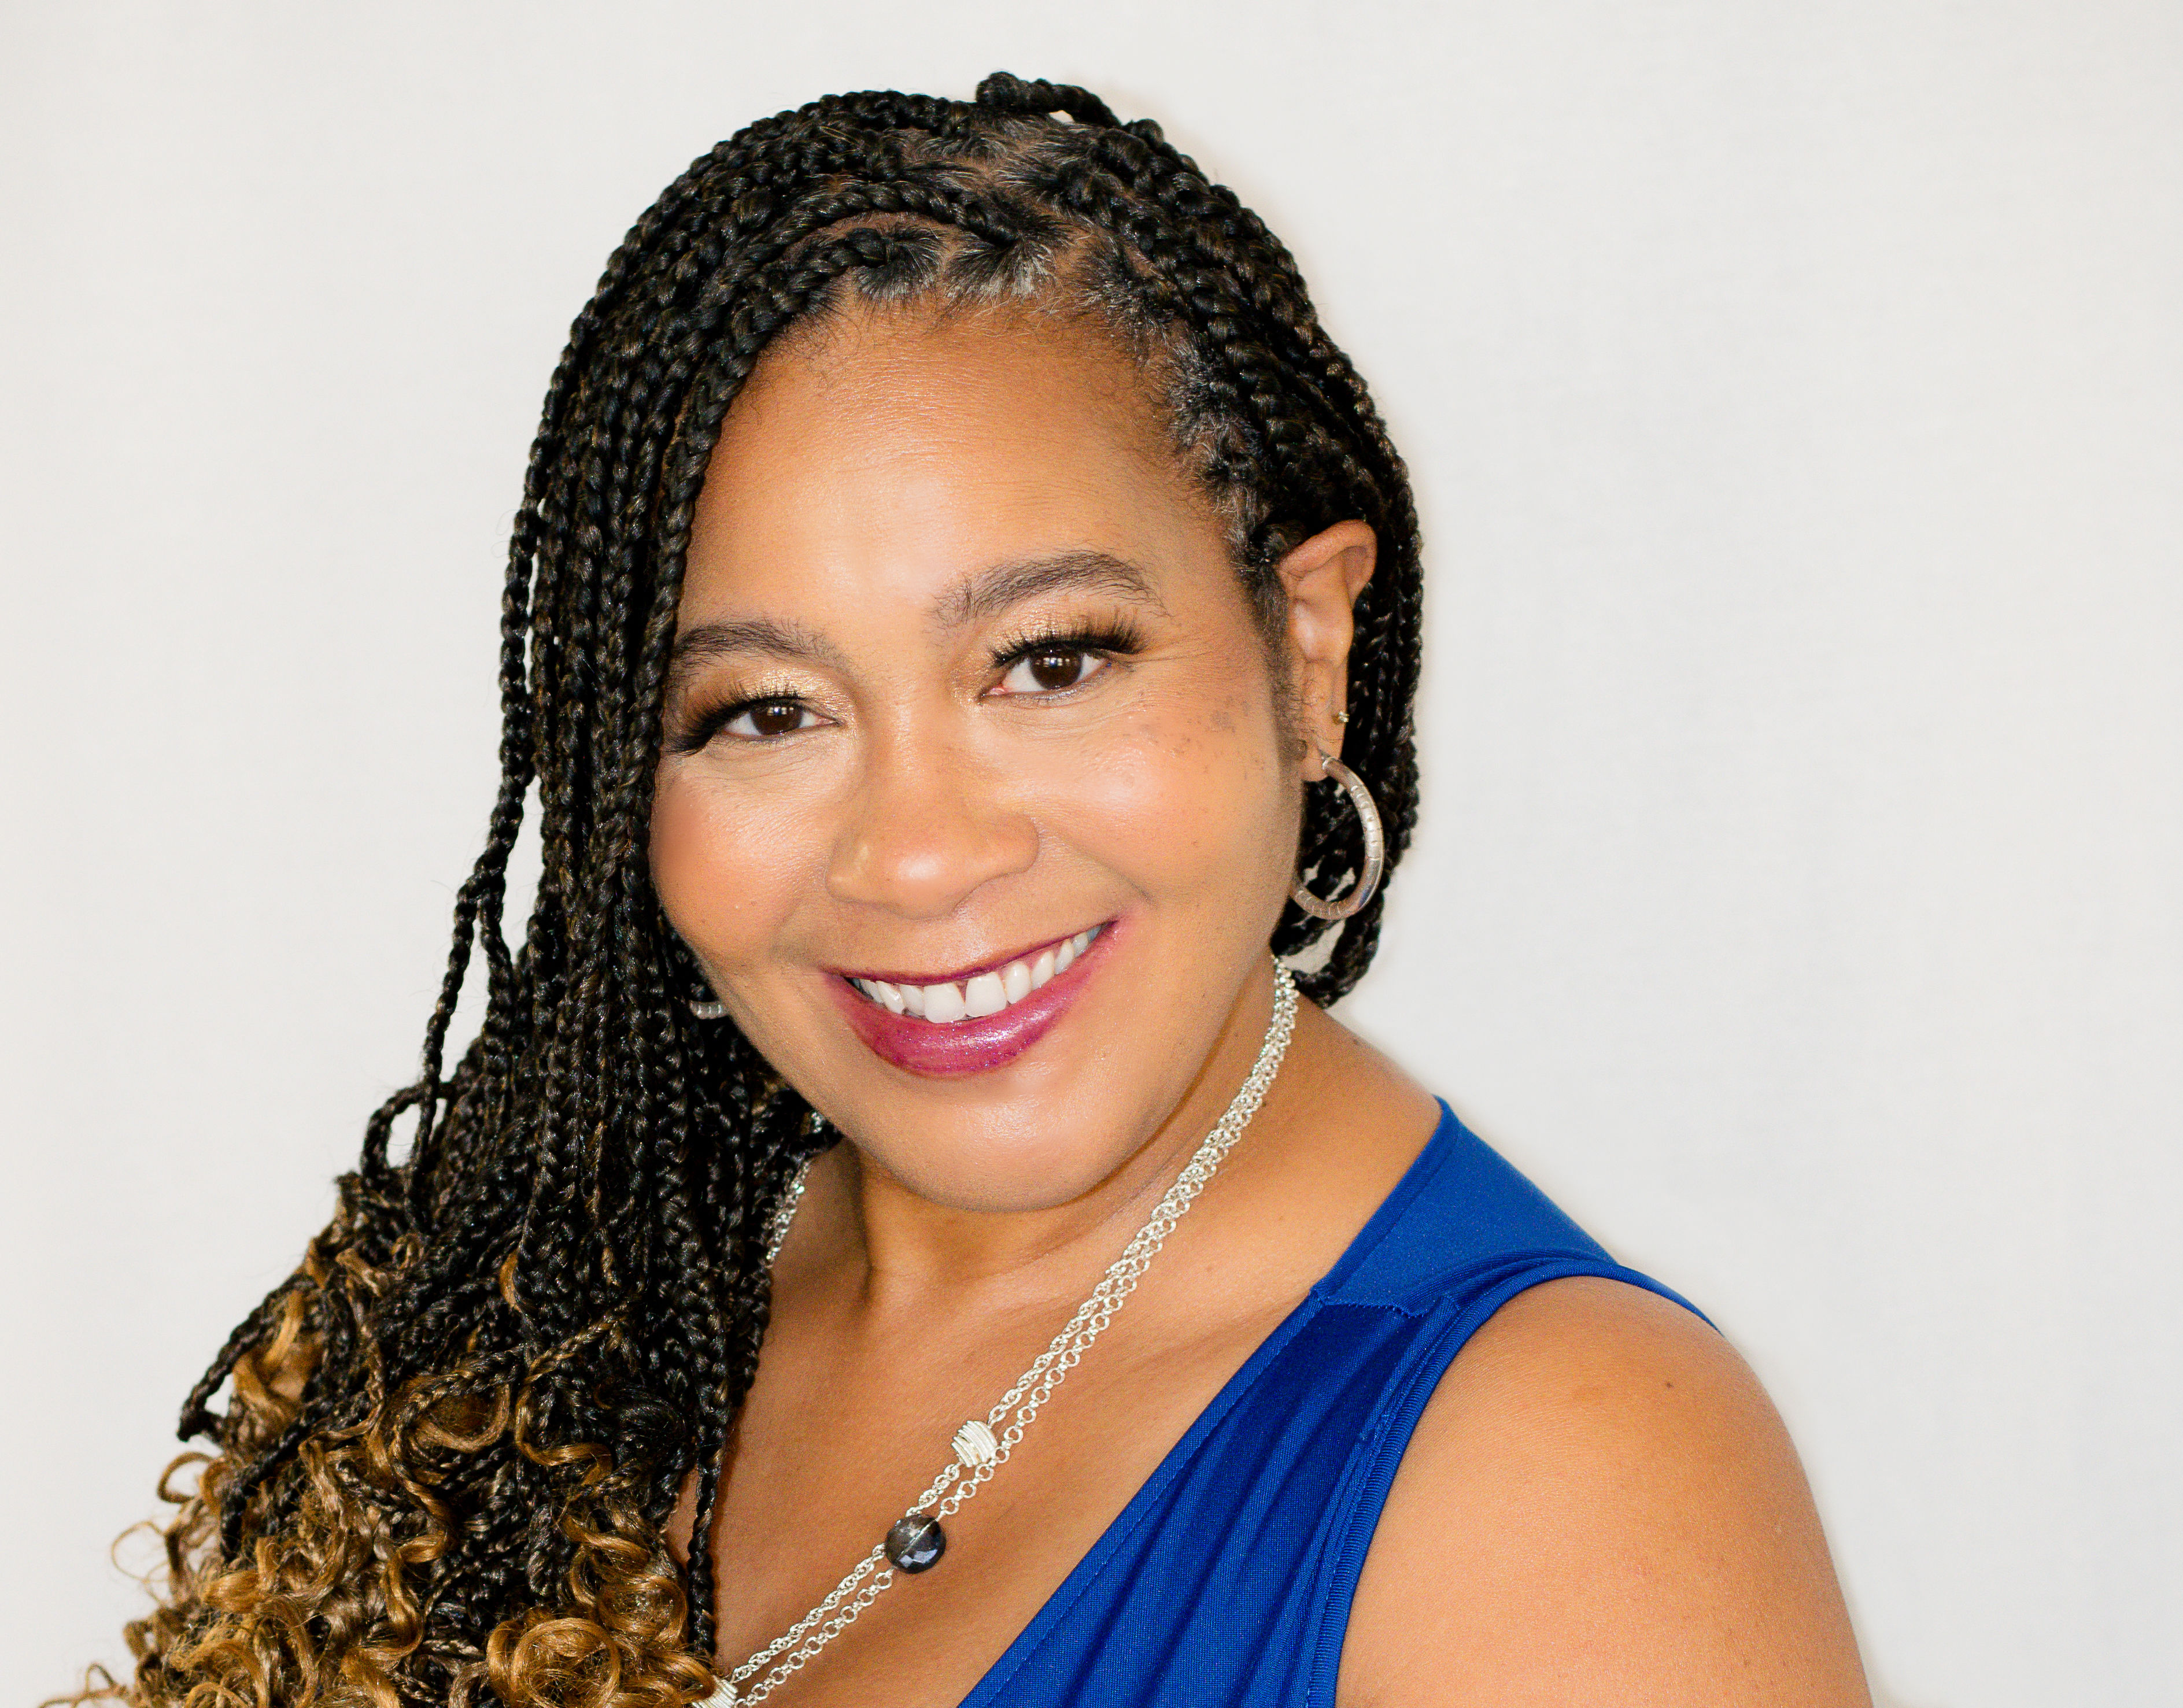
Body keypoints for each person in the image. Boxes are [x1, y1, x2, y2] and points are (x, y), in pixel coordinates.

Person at [73, 73, 1870, 1708]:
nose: (921, 852)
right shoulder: (568, 1305)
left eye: (1050, 660)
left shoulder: (1565, 1471)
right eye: (765, 710)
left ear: (1309, 649)